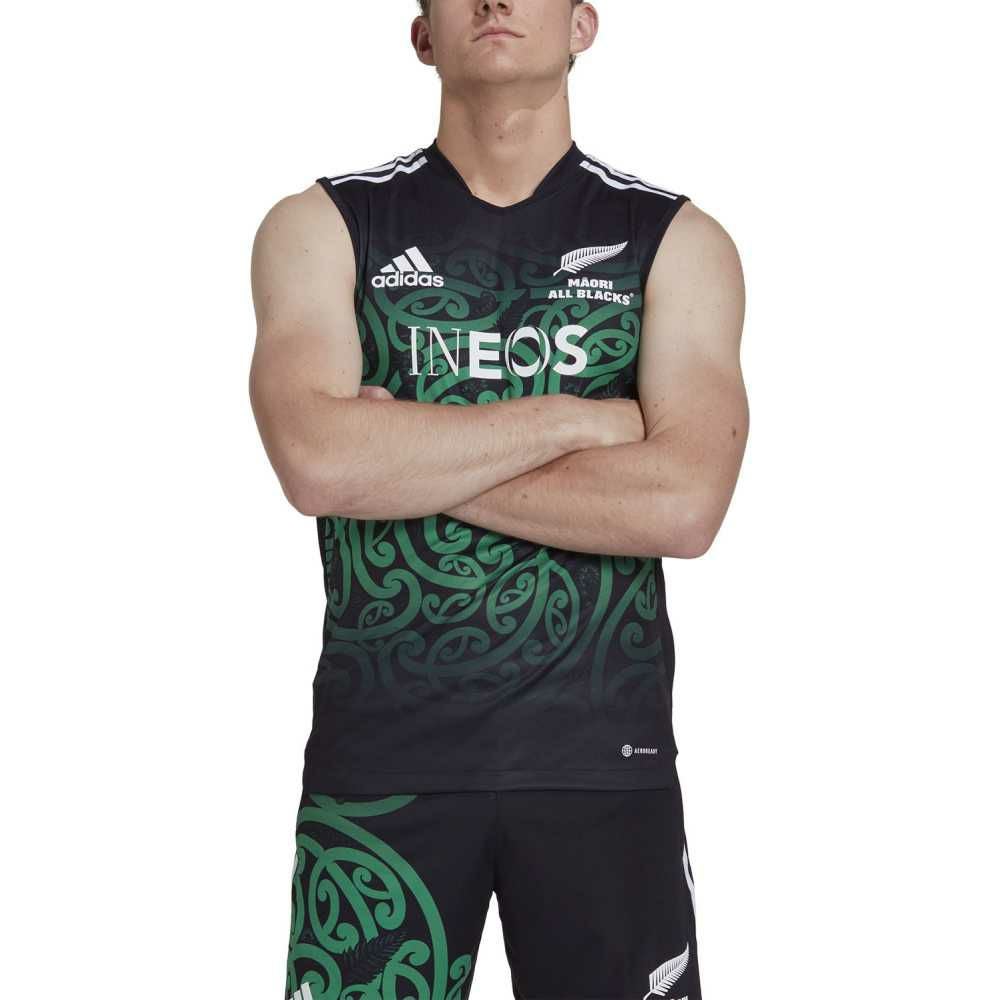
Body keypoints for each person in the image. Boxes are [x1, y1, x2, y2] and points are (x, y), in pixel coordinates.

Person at [249, 2, 747, 997]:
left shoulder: (672, 240)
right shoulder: (323, 227)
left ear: (583, 26)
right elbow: (319, 463)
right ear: (422, 34)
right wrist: (578, 419)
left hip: (603, 763)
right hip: (380, 768)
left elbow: (684, 503)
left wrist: (405, 459)